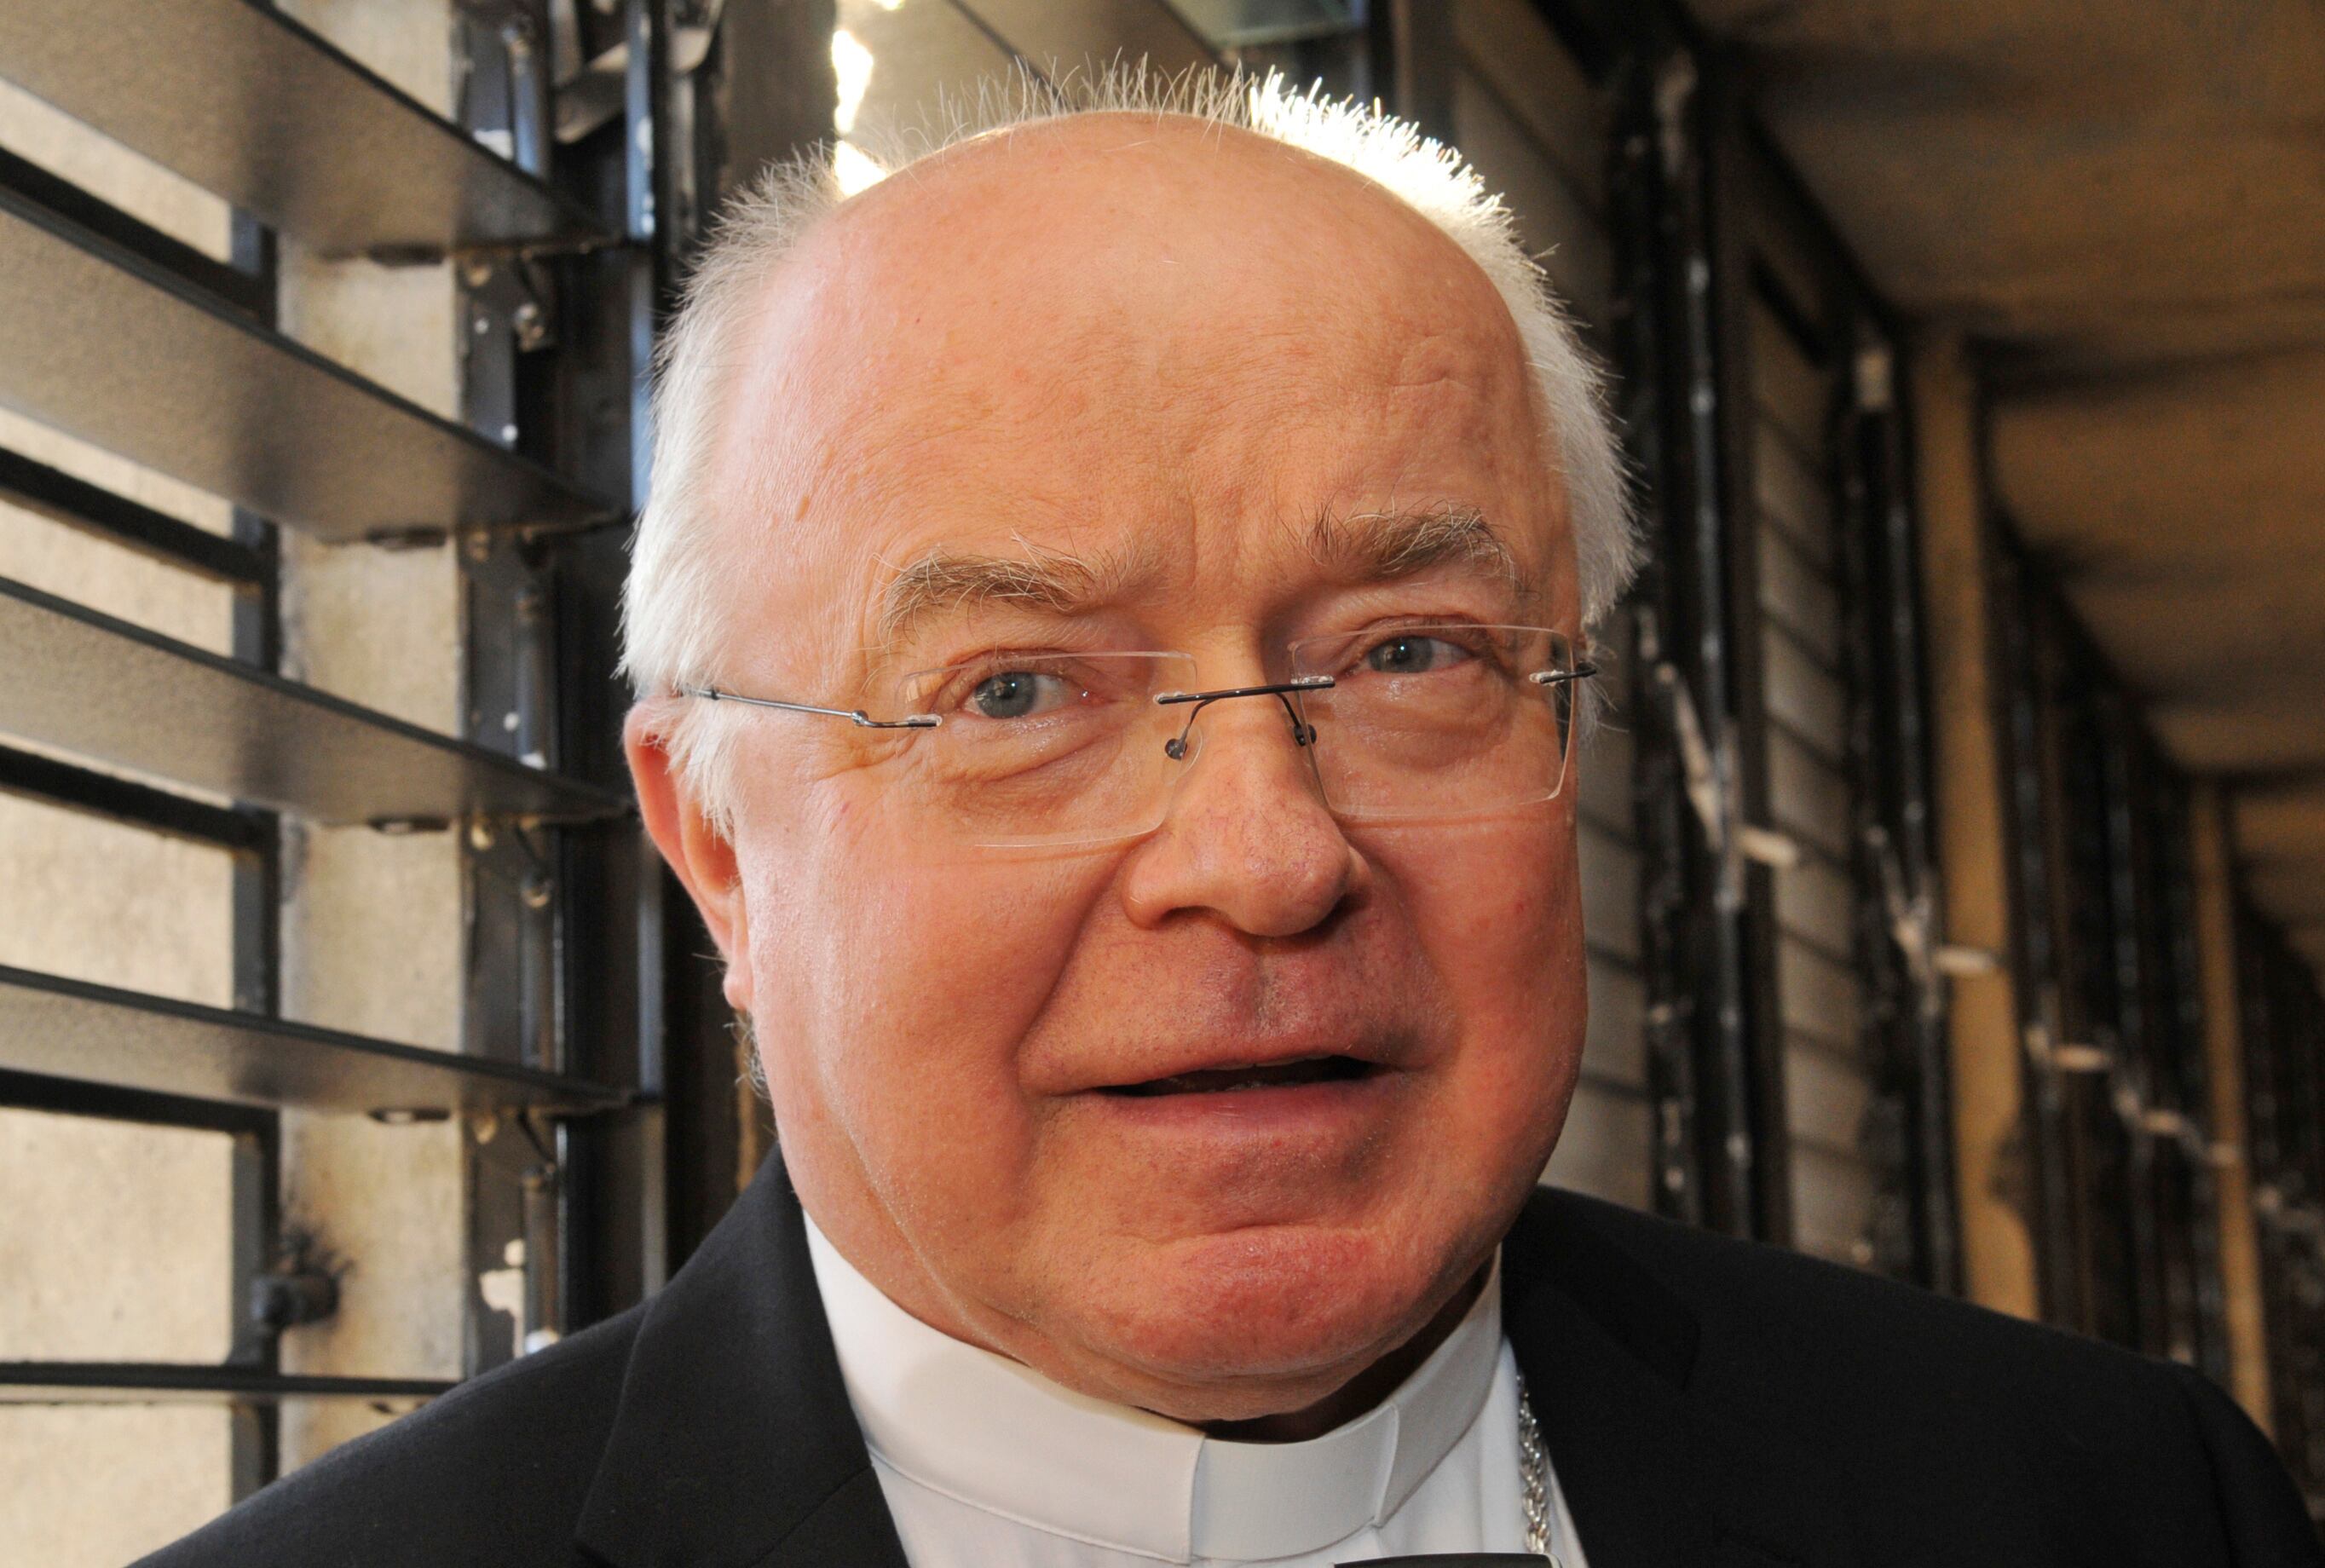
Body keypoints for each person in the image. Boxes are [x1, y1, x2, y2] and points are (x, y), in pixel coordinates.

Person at [143, 70, 2320, 1568]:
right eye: (1015, 692)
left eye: (1408, 653)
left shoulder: (2106, 1504)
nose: (1267, 857)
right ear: (716, 840)